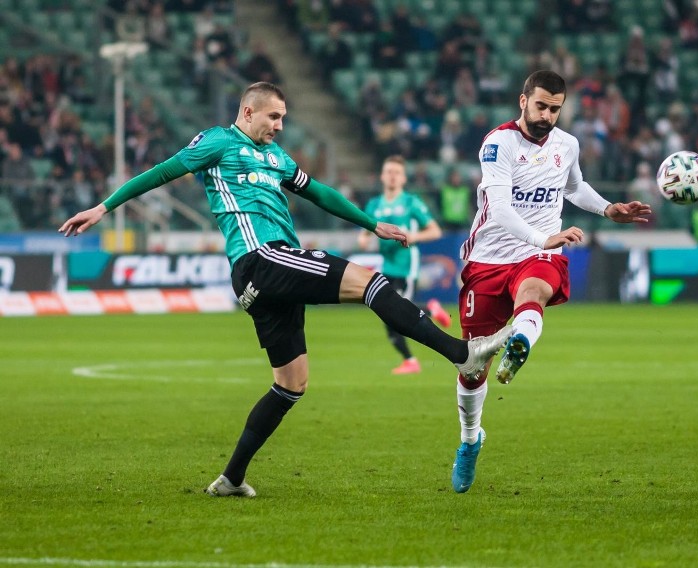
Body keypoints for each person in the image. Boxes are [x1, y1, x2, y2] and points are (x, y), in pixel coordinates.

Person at [59, 82, 512, 498]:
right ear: (248, 111)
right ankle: (461, 353)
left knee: (291, 384)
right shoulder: (217, 142)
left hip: (267, 278)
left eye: (283, 119)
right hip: (261, 257)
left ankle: (231, 478)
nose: (279, 126)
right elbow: (161, 173)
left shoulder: (277, 159)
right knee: (370, 282)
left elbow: (320, 194)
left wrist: (372, 224)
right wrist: (103, 207)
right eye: (273, 117)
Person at [450, 70, 652, 493]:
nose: (547, 115)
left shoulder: (567, 144)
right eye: (540, 105)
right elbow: (501, 209)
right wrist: (544, 236)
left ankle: (520, 341)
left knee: (534, 291)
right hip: (488, 259)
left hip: (539, 253)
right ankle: (470, 439)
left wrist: (608, 209)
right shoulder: (498, 143)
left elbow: (574, 188)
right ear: (522, 101)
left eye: (555, 108)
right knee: (471, 367)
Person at [357, 155, 453, 375]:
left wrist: (413, 236)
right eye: (388, 172)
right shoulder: (374, 205)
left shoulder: (411, 202)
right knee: (389, 312)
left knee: (395, 311)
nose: (392, 176)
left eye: (396, 173)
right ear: (382, 176)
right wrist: (364, 239)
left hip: (407, 265)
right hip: (387, 266)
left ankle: (411, 358)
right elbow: (364, 233)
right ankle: (428, 313)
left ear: (403, 178)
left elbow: (435, 230)